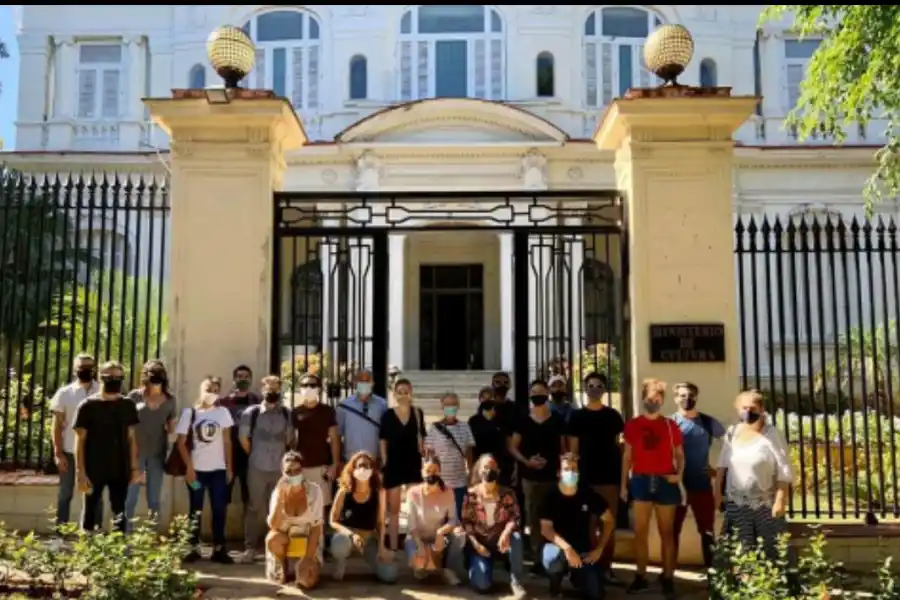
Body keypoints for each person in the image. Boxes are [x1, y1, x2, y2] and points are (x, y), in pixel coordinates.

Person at [621, 378, 683, 598]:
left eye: (657, 399)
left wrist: (679, 475)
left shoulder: (670, 425)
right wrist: (623, 485)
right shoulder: (633, 425)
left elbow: (679, 454)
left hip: (666, 481)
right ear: (643, 399)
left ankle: (667, 577)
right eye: (650, 399)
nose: (653, 402)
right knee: (640, 533)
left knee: (667, 533)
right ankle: (640, 576)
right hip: (640, 480)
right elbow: (627, 457)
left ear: (662, 400)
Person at [714, 390, 794, 559]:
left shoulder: (773, 435)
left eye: (753, 407)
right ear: (737, 409)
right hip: (737, 503)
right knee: (739, 549)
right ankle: (739, 583)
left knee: (771, 549)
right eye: (744, 407)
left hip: (765, 505)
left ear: (761, 409)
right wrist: (717, 495)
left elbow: (784, 470)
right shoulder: (732, 433)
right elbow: (722, 467)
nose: (748, 412)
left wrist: (780, 501)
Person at [566, 371, 625, 584]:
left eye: (599, 385)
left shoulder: (613, 416)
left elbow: (622, 446)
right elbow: (572, 450)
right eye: (591, 385)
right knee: (588, 525)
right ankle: (591, 569)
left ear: (605, 389)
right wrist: (571, 479)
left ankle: (607, 568)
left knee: (608, 524)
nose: (595, 389)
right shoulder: (576, 417)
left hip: (609, 477)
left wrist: (623, 477)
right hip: (585, 479)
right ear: (585, 388)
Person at [73, 360, 140, 533]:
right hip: (93, 467)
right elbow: (80, 441)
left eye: (118, 377)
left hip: (120, 467)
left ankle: (116, 553)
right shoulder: (87, 406)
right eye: (110, 376)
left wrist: (134, 468)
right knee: (90, 510)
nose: (114, 380)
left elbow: (131, 438)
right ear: (101, 377)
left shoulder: (128, 405)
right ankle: (87, 551)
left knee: (119, 511)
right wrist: (80, 471)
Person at [540, 453, 615, 600]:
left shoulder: (587, 494)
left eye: (574, 469)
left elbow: (609, 520)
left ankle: (577, 577)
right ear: (559, 473)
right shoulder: (550, 496)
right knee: (553, 560)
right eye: (567, 469)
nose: (571, 473)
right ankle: (555, 587)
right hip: (557, 548)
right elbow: (546, 529)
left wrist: (599, 549)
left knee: (597, 592)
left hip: (583, 551)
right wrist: (567, 549)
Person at [237, 375, 294, 563]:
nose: (272, 391)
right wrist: (255, 455)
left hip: (278, 469)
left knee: (278, 507)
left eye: (276, 387)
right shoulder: (251, 413)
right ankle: (250, 548)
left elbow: (290, 440)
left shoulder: (287, 413)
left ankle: (275, 548)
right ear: (262, 390)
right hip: (257, 467)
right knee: (254, 507)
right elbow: (243, 440)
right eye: (268, 387)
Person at [509, 378, 566, 565]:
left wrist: (562, 470)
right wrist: (527, 462)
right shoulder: (523, 420)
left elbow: (564, 449)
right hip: (530, 478)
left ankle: (553, 559)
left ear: (547, 394)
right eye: (534, 393)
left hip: (552, 477)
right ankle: (536, 558)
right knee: (533, 519)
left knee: (553, 517)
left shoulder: (557, 420)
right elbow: (513, 447)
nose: (537, 396)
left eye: (541, 392)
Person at [176, 388, 235, 563]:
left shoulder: (222, 412)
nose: (212, 393)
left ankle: (219, 548)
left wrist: (229, 467)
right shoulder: (190, 413)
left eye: (216, 390)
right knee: (196, 508)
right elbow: (180, 443)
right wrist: (189, 468)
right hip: (196, 473)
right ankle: (192, 547)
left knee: (219, 508)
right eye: (209, 389)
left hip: (218, 471)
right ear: (201, 391)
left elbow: (227, 441)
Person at [671, 382, 725, 569]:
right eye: (683, 395)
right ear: (676, 398)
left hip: (701, 485)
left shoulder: (708, 423)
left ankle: (713, 574)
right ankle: (669, 574)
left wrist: (718, 470)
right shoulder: (670, 424)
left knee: (707, 531)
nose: (687, 399)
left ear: (697, 397)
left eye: (691, 395)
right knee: (671, 531)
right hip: (676, 487)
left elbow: (732, 446)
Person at [461, 454, 526, 598]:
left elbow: (515, 517)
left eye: (492, 467)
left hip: (501, 542)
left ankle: (516, 582)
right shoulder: (471, 495)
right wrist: (476, 544)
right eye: (485, 467)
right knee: (482, 586)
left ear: (498, 470)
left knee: (516, 537)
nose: (489, 470)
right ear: (479, 470)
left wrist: (506, 532)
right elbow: (467, 523)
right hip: (480, 545)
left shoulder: (507, 493)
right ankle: (484, 574)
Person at [124, 359, 177, 531]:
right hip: (135, 453)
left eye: (159, 375)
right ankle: (125, 539)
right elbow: (125, 425)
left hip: (157, 453)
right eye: (152, 375)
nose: (155, 380)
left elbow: (171, 427)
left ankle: (152, 539)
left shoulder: (170, 400)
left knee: (154, 499)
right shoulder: (134, 396)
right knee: (130, 498)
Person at [328, 451, 397, 583]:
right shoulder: (344, 491)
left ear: (372, 470)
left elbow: (381, 522)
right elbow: (332, 520)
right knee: (339, 543)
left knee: (390, 575)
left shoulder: (379, 492)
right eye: (359, 465)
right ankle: (341, 563)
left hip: (368, 539)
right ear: (352, 468)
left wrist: (381, 548)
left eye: (366, 466)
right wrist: (351, 535)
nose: (362, 469)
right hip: (347, 536)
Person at [50, 353, 100, 528]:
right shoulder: (64, 393)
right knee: (65, 493)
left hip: (94, 452)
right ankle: (60, 532)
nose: (85, 371)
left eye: (89, 367)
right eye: (81, 367)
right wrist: (58, 453)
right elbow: (56, 426)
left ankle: (94, 534)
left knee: (94, 494)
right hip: (69, 452)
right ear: (74, 369)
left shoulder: (102, 391)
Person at [266, 451, 324, 590]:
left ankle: (304, 566)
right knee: (272, 538)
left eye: (297, 470)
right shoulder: (277, 492)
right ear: (283, 473)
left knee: (306, 582)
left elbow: (316, 528)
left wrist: (308, 559)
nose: (293, 475)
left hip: (308, 543)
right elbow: (274, 525)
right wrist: (280, 499)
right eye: (289, 471)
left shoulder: (315, 491)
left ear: (303, 471)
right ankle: (281, 566)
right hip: (285, 541)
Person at [379, 377, 425, 551]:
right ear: (394, 394)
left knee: (415, 506)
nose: (403, 395)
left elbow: (422, 437)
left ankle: (415, 543)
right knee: (394, 509)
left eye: (406, 391)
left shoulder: (417, 413)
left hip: (413, 463)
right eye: (400, 392)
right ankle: (393, 547)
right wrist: (384, 461)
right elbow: (382, 439)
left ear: (411, 393)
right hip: (393, 464)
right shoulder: (388, 415)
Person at [404, 455, 465, 585]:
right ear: (422, 472)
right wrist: (420, 545)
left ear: (440, 472)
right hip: (417, 537)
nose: (431, 474)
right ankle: (423, 565)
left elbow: (453, 519)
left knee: (460, 535)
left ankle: (449, 570)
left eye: (435, 470)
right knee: (420, 565)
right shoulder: (413, 493)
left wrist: (440, 532)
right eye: (428, 471)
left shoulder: (448, 492)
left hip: (438, 537)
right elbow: (411, 525)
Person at [291, 373, 339, 521]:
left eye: (312, 385)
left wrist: (335, 465)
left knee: (322, 507)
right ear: (300, 388)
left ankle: (320, 542)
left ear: (319, 389)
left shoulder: (328, 411)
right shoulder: (295, 412)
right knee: (301, 506)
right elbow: (291, 441)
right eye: (305, 385)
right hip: (301, 467)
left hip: (321, 467)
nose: (309, 388)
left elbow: (334, 438)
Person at [424, 391, 475, 517]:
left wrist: (471, 475)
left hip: (460, 483)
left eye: (453, 405)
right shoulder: (434, 428)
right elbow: (429, 455)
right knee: (441, 519)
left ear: (458, 406)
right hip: (440, 484)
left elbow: (469, 453)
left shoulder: (465, 427)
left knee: (458, 518)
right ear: (442, 407)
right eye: (447, 405)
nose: (450, 408)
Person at [219, 365, 261, 511]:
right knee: (222, 498)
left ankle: (247, 533)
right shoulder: (224, 402)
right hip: (227, 456)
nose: (242, 379)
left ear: (250, 379)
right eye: (239, 376)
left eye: (246, 376)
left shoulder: (257, 402)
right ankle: (218, 532)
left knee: (249, 498)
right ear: (234, 379)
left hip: (249, 455)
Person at [336, 369, 388, 464]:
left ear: (372, 383)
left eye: (367, 380)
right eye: (361, 381)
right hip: (350, 462)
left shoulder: (382, 405)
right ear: (355, 383)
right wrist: (338, 461)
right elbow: (337, 435)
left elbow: (386, 434)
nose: (364, 383)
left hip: (375, 461)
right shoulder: (344, 406)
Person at [468, 386, 514, 485]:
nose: (487, 399)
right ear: (480, 399)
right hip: (480, 467)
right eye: (484, 397)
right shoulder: (473, 421)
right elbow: (470, 447)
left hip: (500, 467)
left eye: (491, 397)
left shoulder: (503, 420)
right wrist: (470, 467)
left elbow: (509, 444)